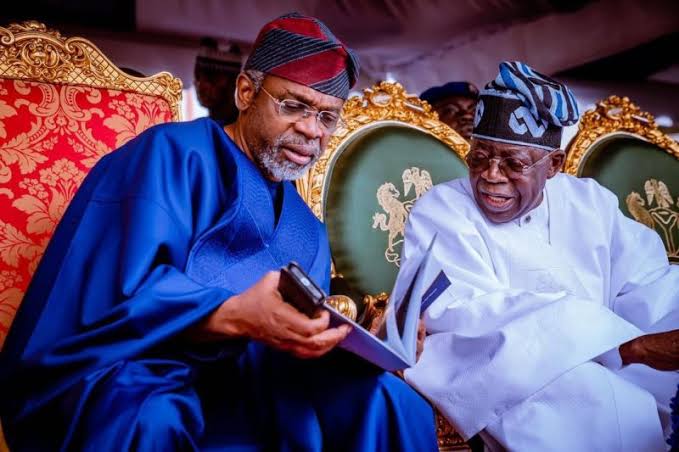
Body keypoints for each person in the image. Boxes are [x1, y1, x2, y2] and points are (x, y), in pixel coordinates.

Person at [0, 13, 437, 451]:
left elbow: (296, 343)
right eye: (293, 105)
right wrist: (229, 314)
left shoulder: (307, 228)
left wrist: (358, 344)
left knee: (391, 402)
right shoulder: (171, 155)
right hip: (145, 375)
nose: (311, 130)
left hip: (256, 387)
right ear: (245, 91)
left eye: (327, 117)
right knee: (152, 419)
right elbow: (108, 300)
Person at [401, 61, 679, 451]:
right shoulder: (442, 208)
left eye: (513, 163)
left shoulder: (588, 202)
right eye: (479, 157)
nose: (491, 175)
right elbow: (467, 315)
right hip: (504, 373)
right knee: (592, 397)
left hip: (612, 356)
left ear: (553, 166)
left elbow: (649, 283)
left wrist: (649, 340)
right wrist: (626, 348)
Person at [194, 37, 242, 124]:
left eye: (210, 79)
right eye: (198, 78)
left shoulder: (240, 126)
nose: (200, 86)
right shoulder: (209, 125)